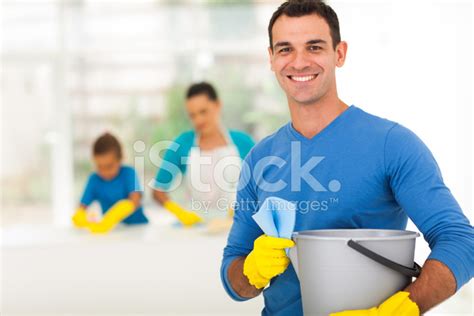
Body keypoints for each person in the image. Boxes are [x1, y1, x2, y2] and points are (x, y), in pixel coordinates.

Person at [220, 1, 473, 315]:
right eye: (285, 49)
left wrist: (405, 307)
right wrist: (251, 271)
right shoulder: (259, 159)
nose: (299, 62)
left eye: (314, 47)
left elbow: (460, 241)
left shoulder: (392, 145)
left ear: (339, 53)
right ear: (271, 58)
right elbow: (233, 276)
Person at [152, 82, 255, 228]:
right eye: (192, 115)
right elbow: (158, 191)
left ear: (218, 105)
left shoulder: (243, 142)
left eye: (203, 112)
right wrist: (180, 213)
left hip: (235, 226)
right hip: (194, 228)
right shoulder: (182, 144)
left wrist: (245, 207)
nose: (198, 120)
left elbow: (262, 184)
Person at [72, 132, 148, 233]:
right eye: (99, 166)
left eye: (109, 166)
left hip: (138, 229)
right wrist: (82, 218)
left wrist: (114, 215)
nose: (104, 172)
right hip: (113, 231)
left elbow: (135, 200)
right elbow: (81, 208)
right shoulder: (94, 180)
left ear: (120, 159)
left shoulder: (129, 173)